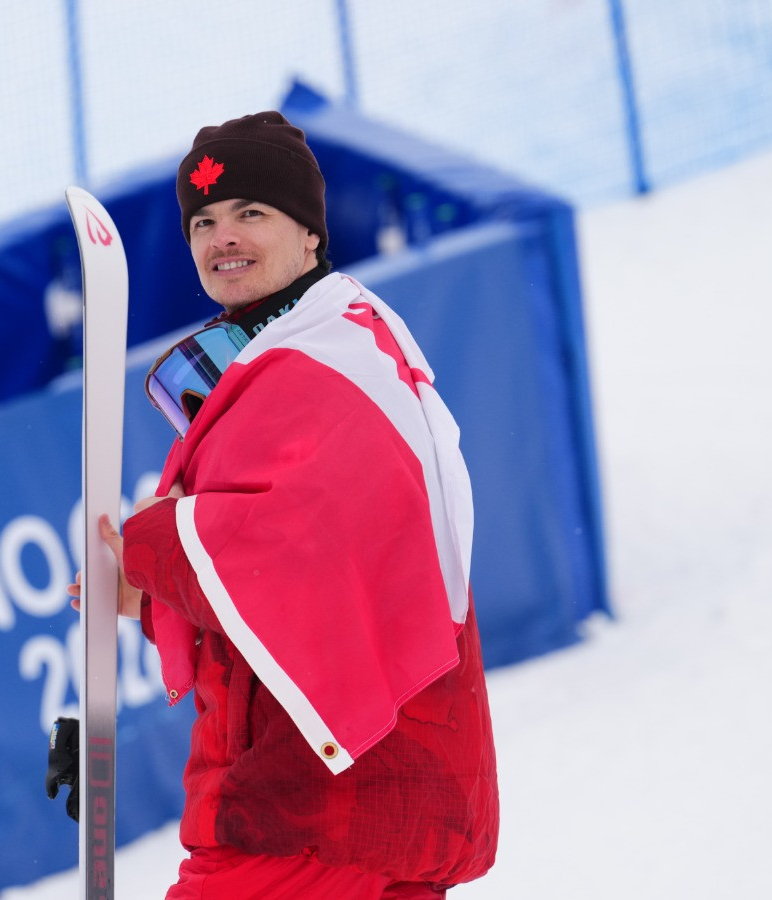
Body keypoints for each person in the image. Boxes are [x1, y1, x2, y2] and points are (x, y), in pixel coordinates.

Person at [65, 111, 499, 898]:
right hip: (340, 809)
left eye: (250, 212)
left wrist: (157, 545)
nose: (221, 236)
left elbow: (293, 540)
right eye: (203, 221)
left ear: (309, 236)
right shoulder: (297, 355)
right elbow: (316, 593)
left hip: (318, 819)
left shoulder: (328, 360)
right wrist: (159, 593)